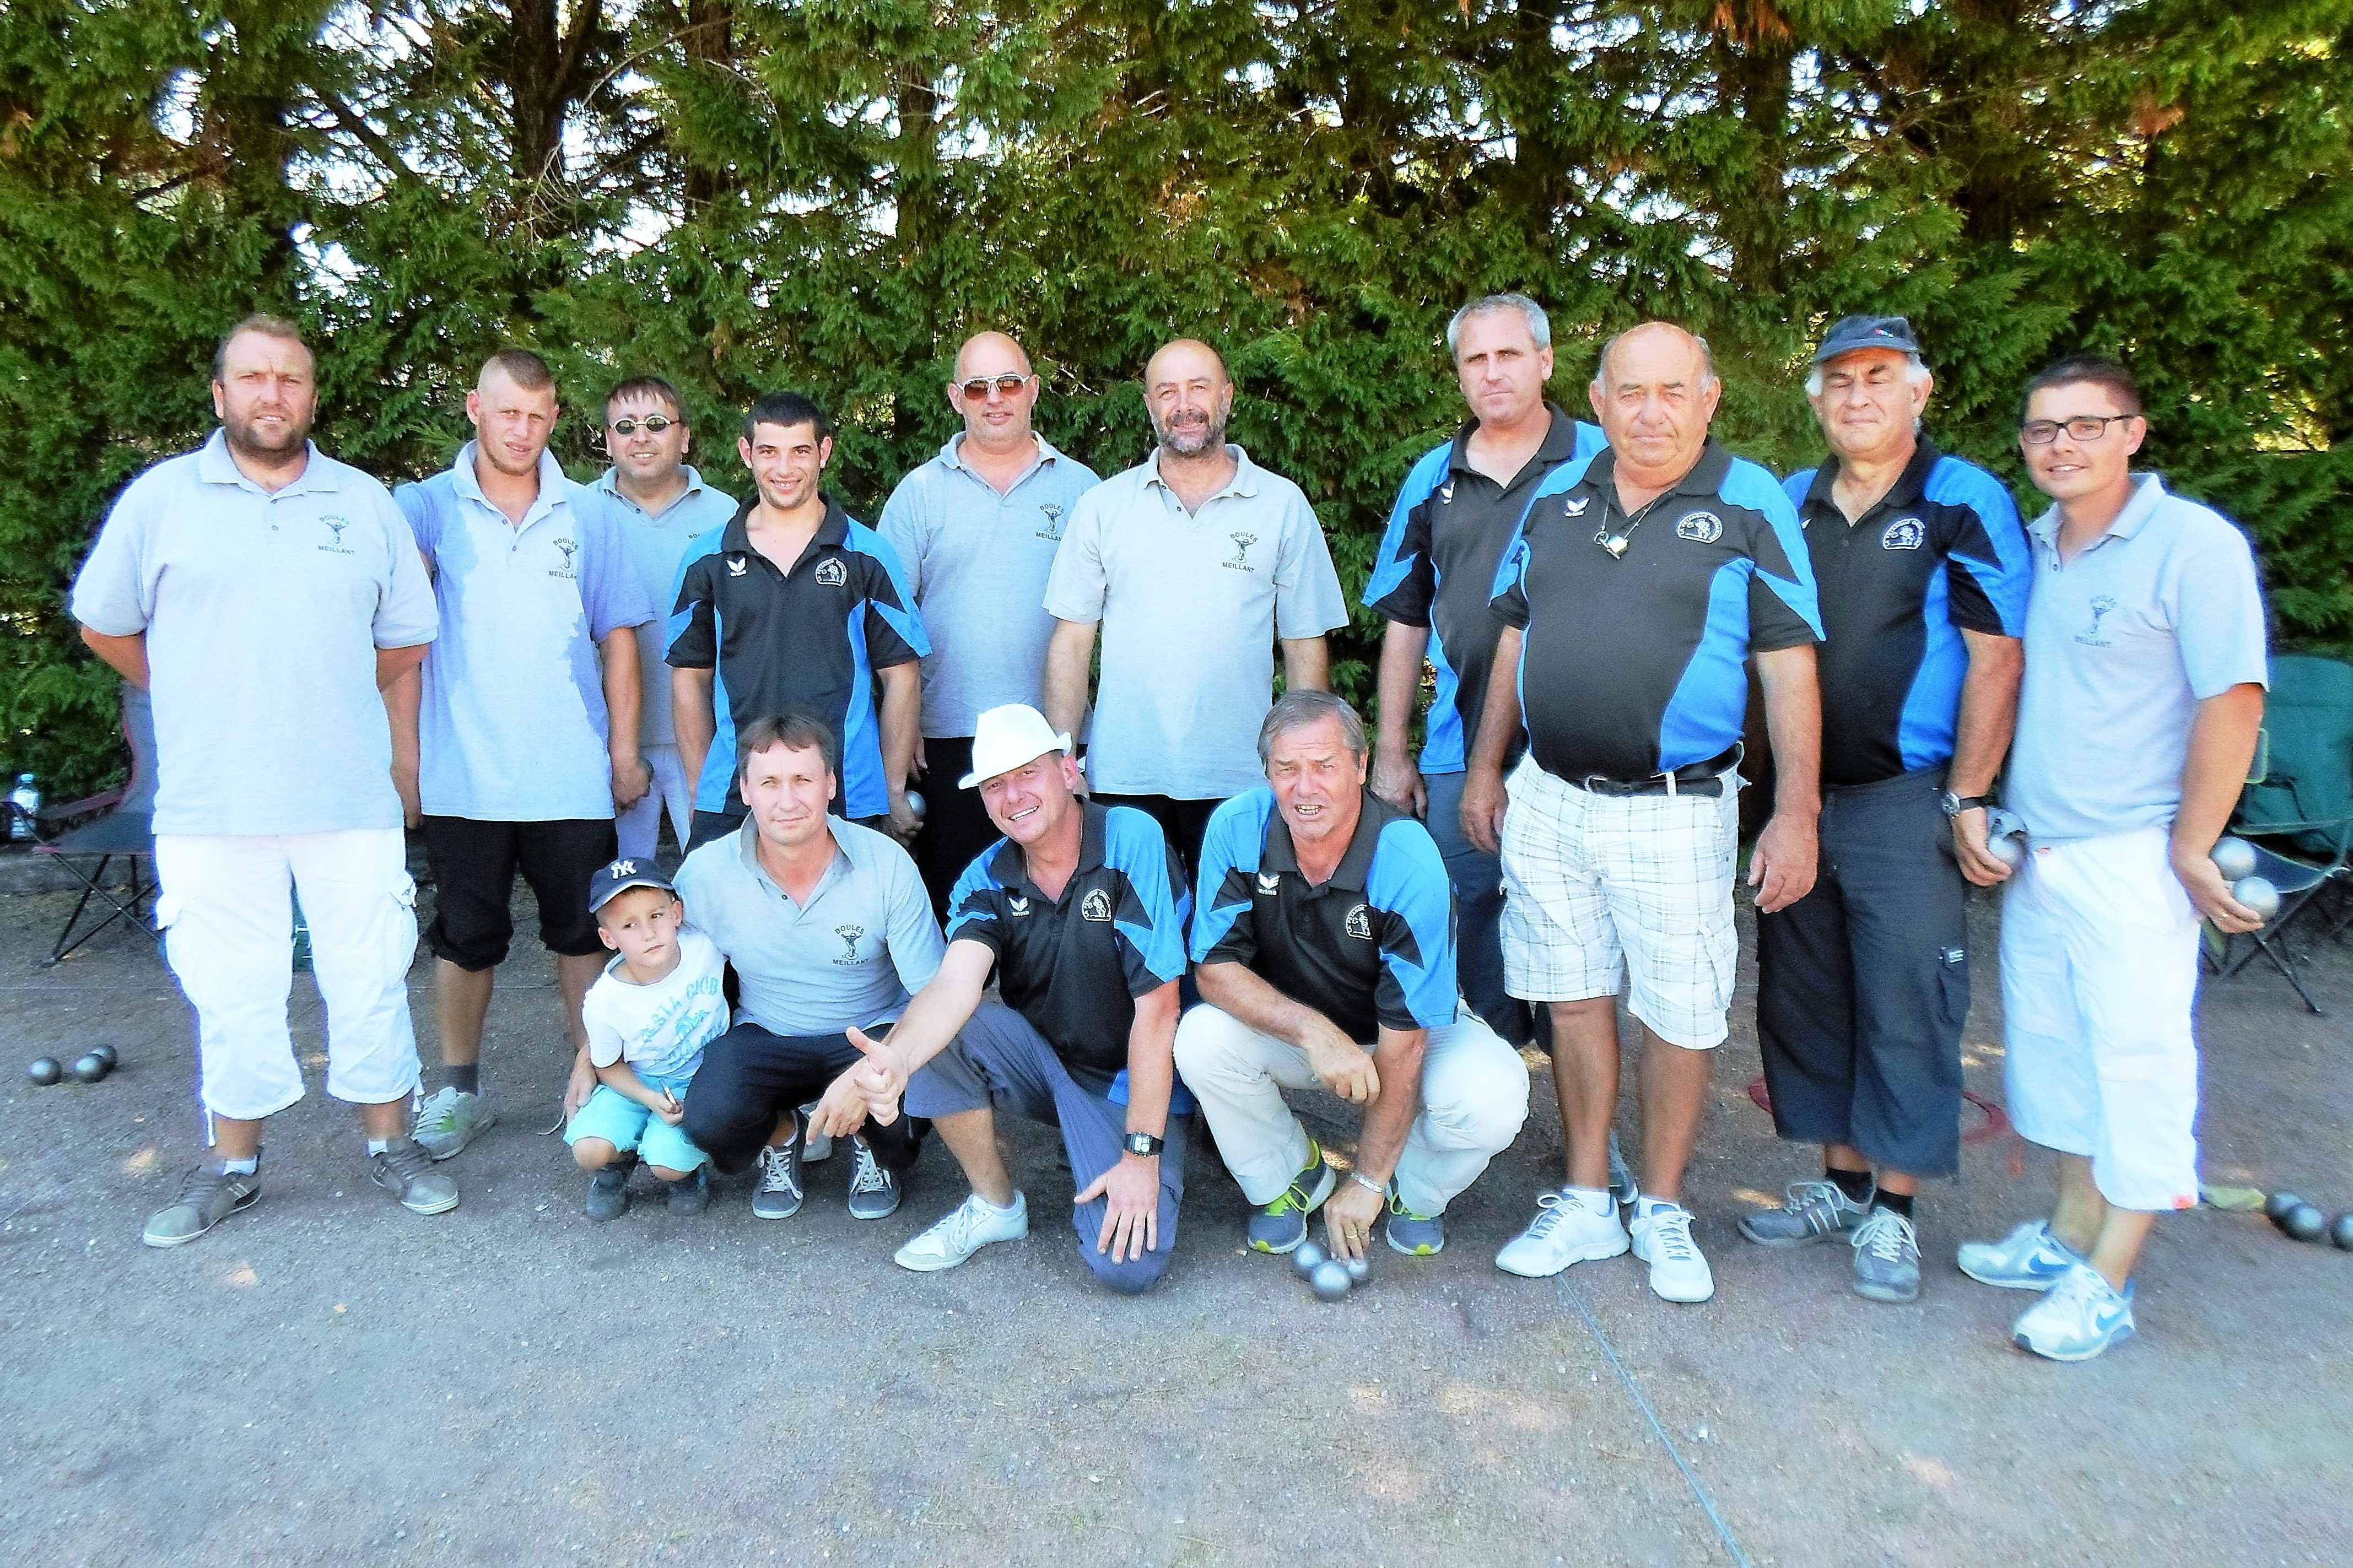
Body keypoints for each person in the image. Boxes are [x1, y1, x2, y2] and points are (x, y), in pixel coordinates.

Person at [71, 314, 456, 1244]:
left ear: (312, 396)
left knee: (367, 969)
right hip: (213, 802)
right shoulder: (161, 500)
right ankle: (233, 1165)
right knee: (229, 981)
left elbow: (408, 633)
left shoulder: (363, 504)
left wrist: (322, 700)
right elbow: (104, 621)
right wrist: (201, 694)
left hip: (344, 794)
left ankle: (392, 1146)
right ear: (221, 394)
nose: (272, 394)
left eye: (290, 378)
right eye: (253, 377)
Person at [1466, 321, 1825, 1305]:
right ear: (1598, 399)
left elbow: (1789, 661)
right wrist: (1486, 768)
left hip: (1679, 806)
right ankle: (1587, 1197)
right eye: (1632, 392)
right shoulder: (1556, 498)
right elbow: (1512, 635)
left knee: (1678, 1010)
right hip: (1549, 796)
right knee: (1572, 998)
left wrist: (1796, 812)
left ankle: (1661, 1207)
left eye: (1674, 391)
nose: (1652, 411)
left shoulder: (1748, 497)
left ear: (1709, 398)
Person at [1956, 356, 2267, 1362]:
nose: (2061, 445)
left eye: (2086, 425)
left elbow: (2233, 698)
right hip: (2044, 847)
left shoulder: (2193, 546)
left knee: (2137, 1063)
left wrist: (2192, 842)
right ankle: (2069, 1233)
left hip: (2138, 854)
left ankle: (2110, 1281)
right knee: (2053, 1055)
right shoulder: (2039, 546)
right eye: (2043, 429)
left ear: (2134, 431)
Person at [1736, 316, 2030, 1305]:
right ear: (1815, 396)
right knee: (1808, 994)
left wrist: (1972, 797)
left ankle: (1896, 1217)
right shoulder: (1787, 500)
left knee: (1908, 999)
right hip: (1803, 799)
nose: (1857, 396)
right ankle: (1842, 1184)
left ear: (1919, 391)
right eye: (1839, 380)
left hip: (1909, 801)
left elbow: (1998, 656)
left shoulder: (1961, 498)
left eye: (1878, 378)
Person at [392, 349, 656, 1161]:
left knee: (583, 937)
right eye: (509, 412)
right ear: (474, 407)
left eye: (539, 416)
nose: (524, 430)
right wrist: (405, 763)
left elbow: (619, 642)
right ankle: (458, 1091)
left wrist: (621, 754)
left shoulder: (592, 514)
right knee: (465, 938)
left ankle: (600, 1089)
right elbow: (392, 639)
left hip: (570, 777)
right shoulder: (422, 509)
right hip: (462, 775)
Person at [842, 704, 1193, 1291]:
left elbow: (1159, 1010)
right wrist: (896, 1059)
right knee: (939, 1028)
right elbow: (955, 984)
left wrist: (1139, 1154)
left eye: (1027, 773)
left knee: (1126, 1269)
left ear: (1068, 772)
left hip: (1134, 1078)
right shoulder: (983, 875)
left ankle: (1135, 1144)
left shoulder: (1132, 838)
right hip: (1049, 1065)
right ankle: (995, 1203)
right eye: (995, 785)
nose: (1012, 796)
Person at [1175, 692, 1530, 1262]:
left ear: (1361, 766)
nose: (1304, 788)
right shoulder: (1236, 826)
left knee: (1493, 1093)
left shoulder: (1406, 856)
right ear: (1266, 771)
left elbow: (1407, 1040)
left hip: (1407, 1029)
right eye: (1286, 769)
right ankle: (1293, 1175)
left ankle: (1407, 1188)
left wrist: (1365, 1177)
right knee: (1199, 1038)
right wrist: (1316, 1033)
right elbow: (1215, 970)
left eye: (1324, 766)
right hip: (1300, 1031)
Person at [1366, 293, 1604, 1049]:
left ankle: (1591, 1152)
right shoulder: (1430, 478)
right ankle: (1485, 1104)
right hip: (1451, 749)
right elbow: (1406, 622)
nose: (1492, 372)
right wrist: (1391, 751)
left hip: (1584, 756)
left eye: (1508, 354)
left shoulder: (1606, 460)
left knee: (1582, 958)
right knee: (1462, 934)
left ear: (1544, 361)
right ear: (1459, 373)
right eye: (1475, 358)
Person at [1043, 338, 1348, 880]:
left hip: (1243, 777)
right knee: (1135, 953)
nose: (1183, 404)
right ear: (1149, 405)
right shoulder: (1102, 509)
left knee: (1231, 948)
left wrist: (1307, 764)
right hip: (1124, 778)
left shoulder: (1281, 505)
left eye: (1198, 388)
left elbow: (1303, 644)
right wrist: (1060, 760)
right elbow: (1071, 641)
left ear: (1226, 397)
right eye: (1167, 391)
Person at [674, 712, 945, 1223]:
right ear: (745, 791)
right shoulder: (706, 873)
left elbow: (935, 991)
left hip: (872, 1030)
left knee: (914, 1110)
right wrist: (595, 1057)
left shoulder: (886, 863)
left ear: (831, 784)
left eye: (803, 779)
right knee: (709, 1116)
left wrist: (879, 1065)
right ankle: (783, 1134)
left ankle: (874, 1146)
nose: (787, 800)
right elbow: (654, 964)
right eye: (770, 783)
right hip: (768, 1031)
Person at [878, 332, 1102, 918]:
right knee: (962, 907)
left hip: (1051, 737)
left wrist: (1074, 739)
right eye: (978, 386)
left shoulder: (1084, 490)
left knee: (1060, 905)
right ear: (956, 398)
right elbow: (885, 628)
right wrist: (902, 730)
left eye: (1008, 383)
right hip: (949, 735)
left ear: (1032, 390)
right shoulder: (918, 494)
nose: (994, 398)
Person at [668, 392, 927, 852]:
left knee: (847, 925)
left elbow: (902, 676)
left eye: (800, 451)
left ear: (823, 452)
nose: (784, 469)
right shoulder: (705, 559)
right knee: (719, 923)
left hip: (847, 790)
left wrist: (888, 787)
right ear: (747, 453)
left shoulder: (867, 555)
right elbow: (690, 679)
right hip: (733, 792)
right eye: (769, 451)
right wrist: (696, 788)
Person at [584, 377, 739, 862]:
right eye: (625, 426)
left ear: (685, 436)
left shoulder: (726, 515)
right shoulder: (577, 511)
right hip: (607, 742)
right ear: (608, 440)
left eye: (656, 424)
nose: (641, 437)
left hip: (706, 736)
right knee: (622, 891)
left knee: (716, 877)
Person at [565, 859, 730, 1219]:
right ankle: (617, 1165)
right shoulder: (605, 1001)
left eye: (656, 916)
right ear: (609, 939)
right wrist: (649, 1098)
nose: (648, 933)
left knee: (667, 1164)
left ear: (677, 913)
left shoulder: (704, 947)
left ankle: (685, 1175)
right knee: (589, 1150)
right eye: (629, 925)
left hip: (697, 1080)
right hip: (638, 1082)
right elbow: (607, 1065)